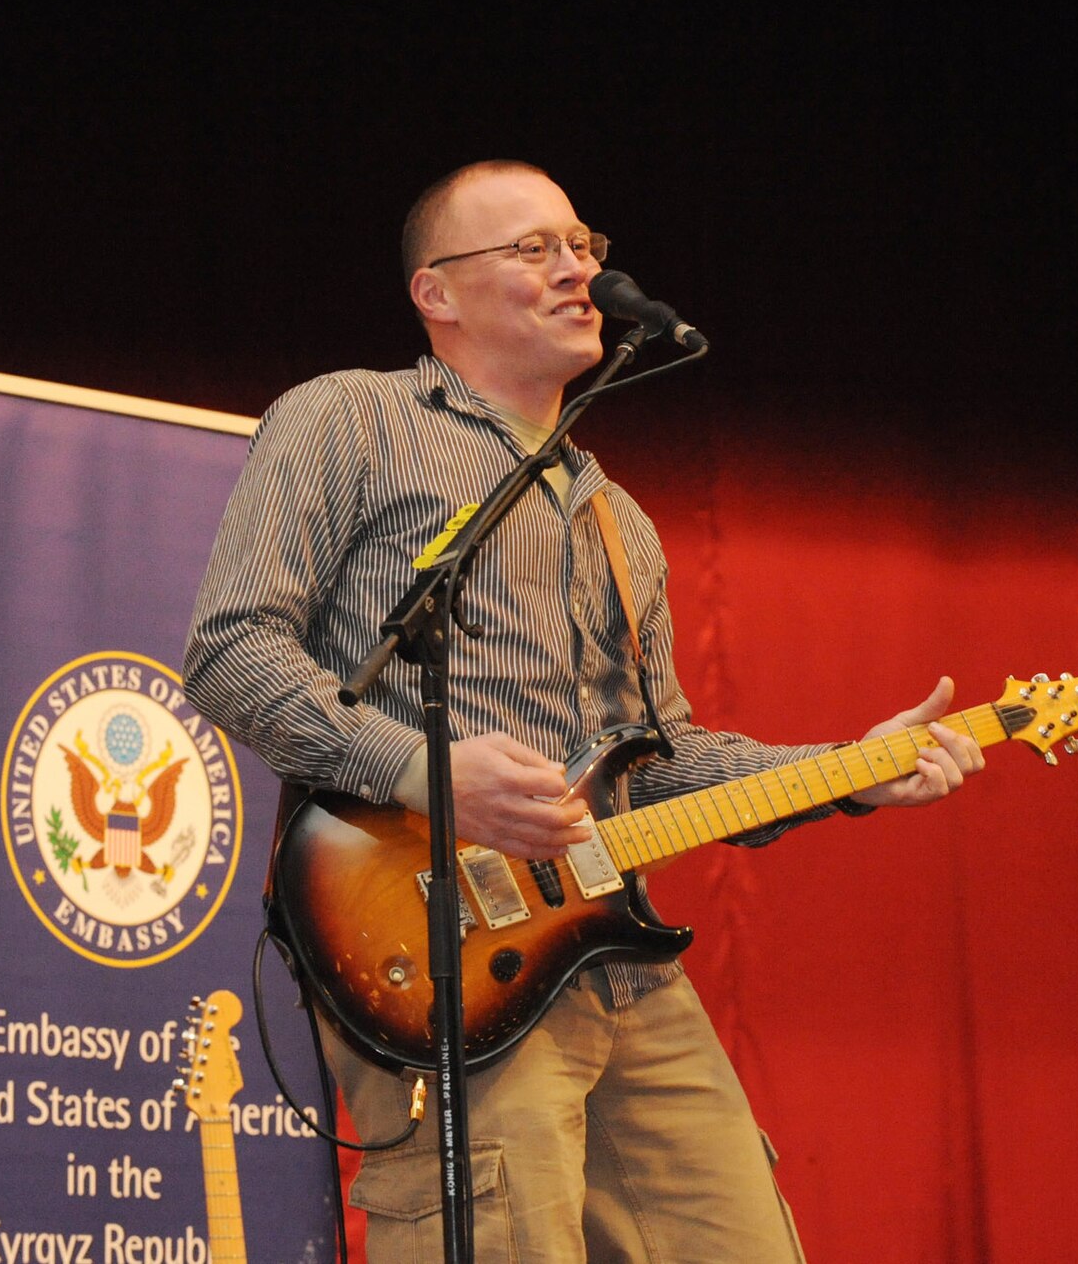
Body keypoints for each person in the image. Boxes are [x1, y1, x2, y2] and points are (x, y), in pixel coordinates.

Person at [184, 159, 985, 1262]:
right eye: (534, 249)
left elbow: (657, 761)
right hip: (437, 956)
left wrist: (849, 767)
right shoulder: (348, 419)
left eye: (584, 246)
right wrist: (425, 771)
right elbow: (231, 653)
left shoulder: (621, 522)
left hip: (621, 964)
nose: (578, 271)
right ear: (438, 293)